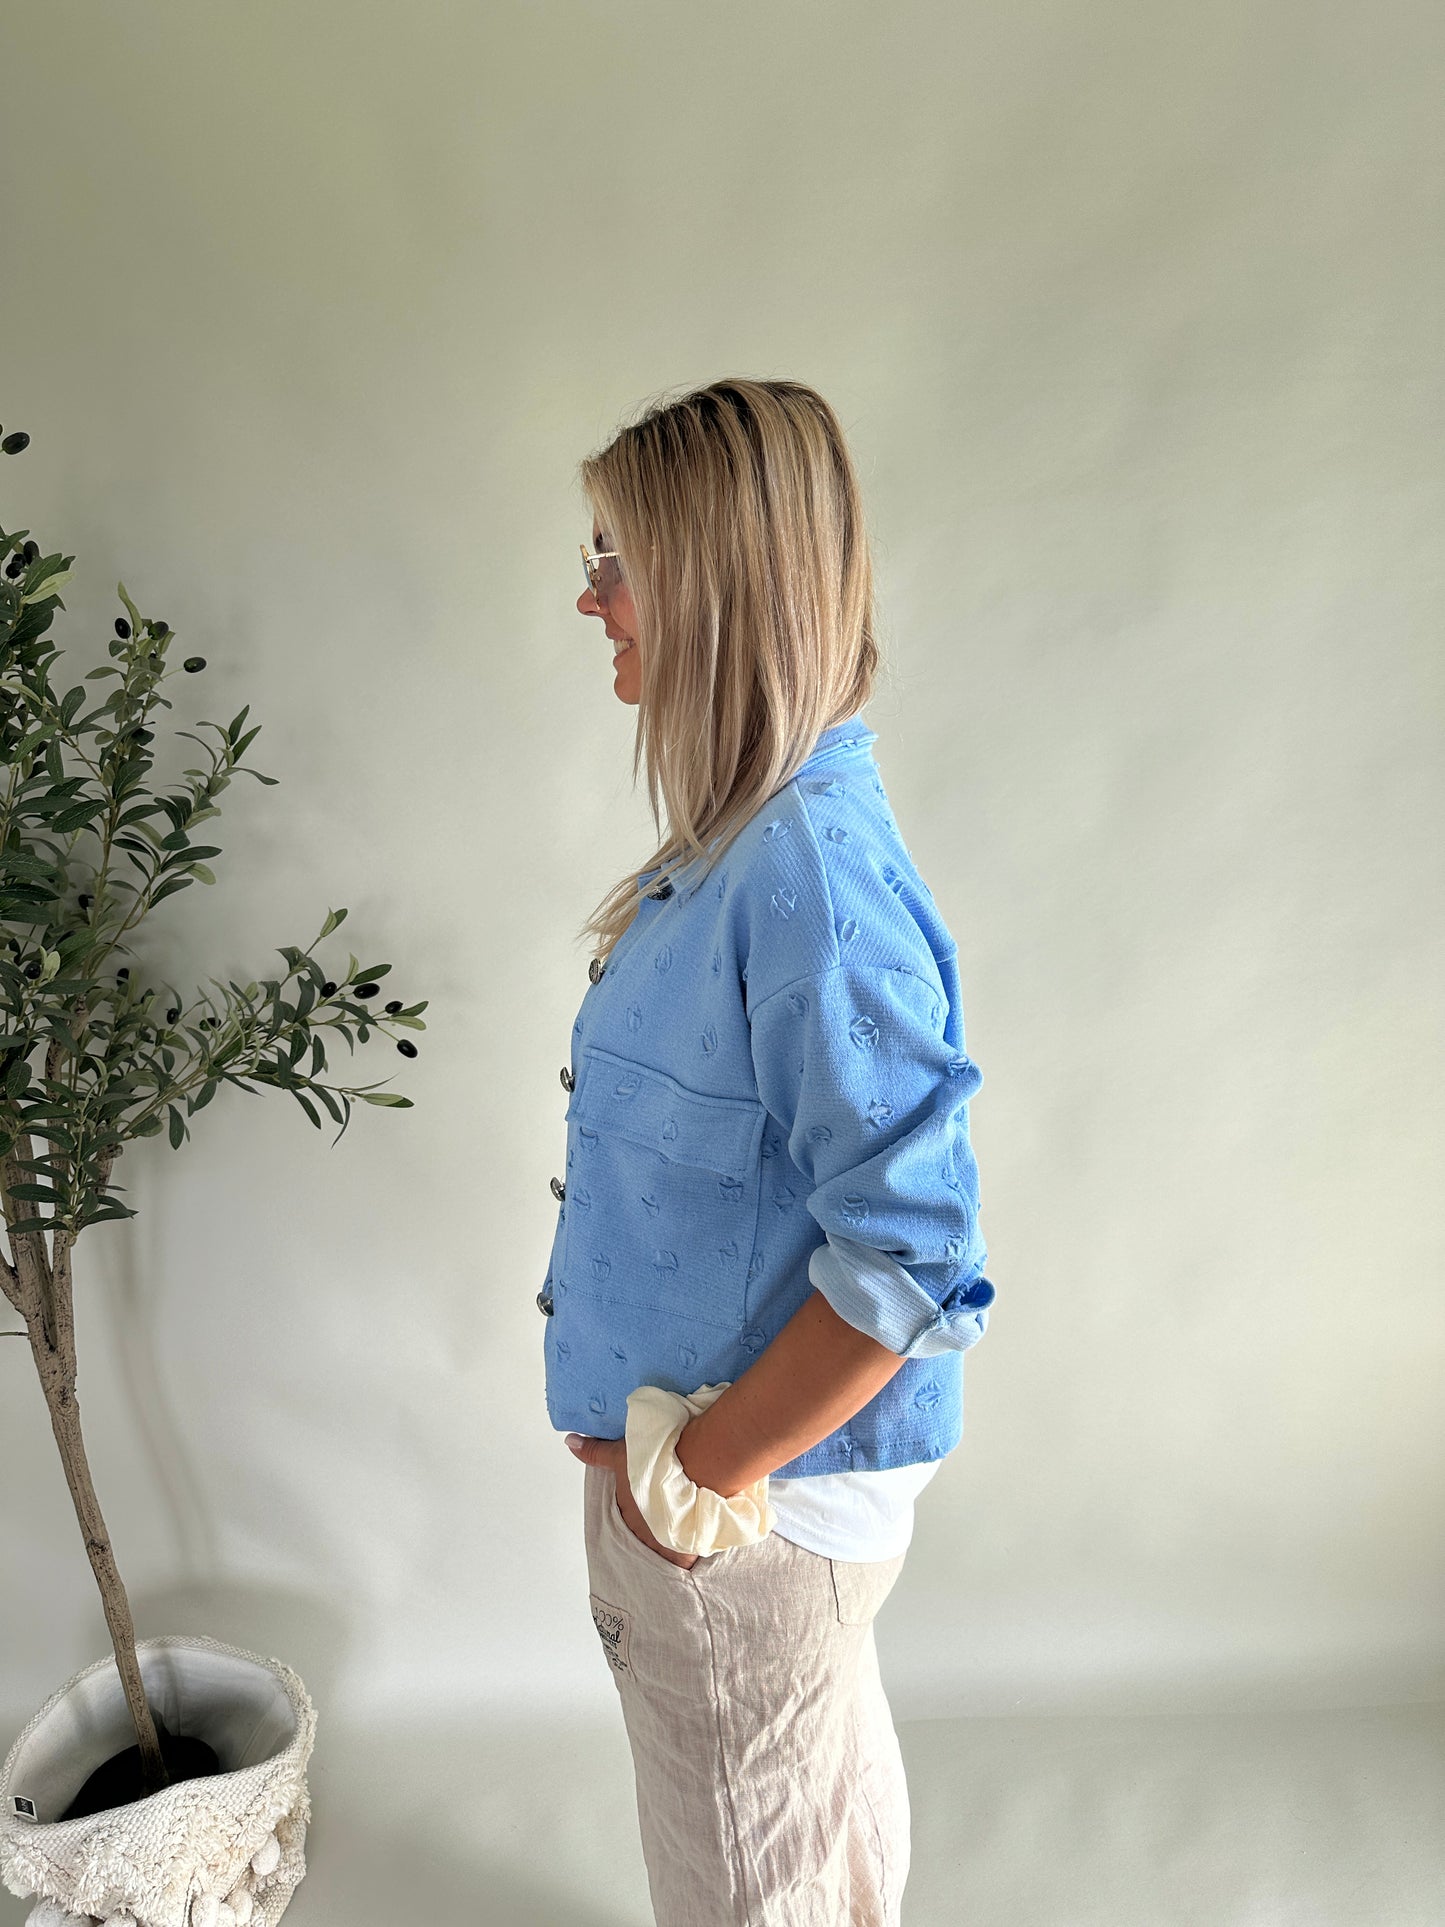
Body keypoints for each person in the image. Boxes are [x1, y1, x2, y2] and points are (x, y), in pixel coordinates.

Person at [542, 377, 996, 1926]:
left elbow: (914, 1255)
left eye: (614, 559)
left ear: (712, 580)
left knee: (748, 1878)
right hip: (737, 1488)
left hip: (752, 1513)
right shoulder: (746, 845)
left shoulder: (806, 874)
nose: (591, 597)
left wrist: (697, 1478)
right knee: (812, 1830)